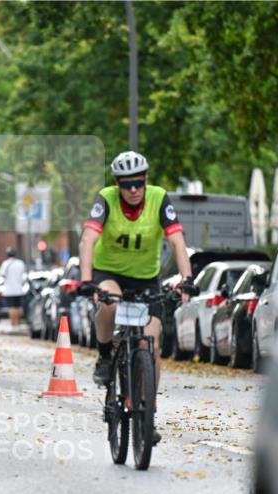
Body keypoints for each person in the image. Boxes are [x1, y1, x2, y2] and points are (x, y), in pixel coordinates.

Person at [77, 151, 195, 441]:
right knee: (109, 305)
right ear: (117, 184)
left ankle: (148, 412)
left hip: (146, 278)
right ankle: (105, 356)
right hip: (109, 273)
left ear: (145, 181)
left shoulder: (158, 198)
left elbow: (177, 241)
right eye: (126, 184)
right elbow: (88, 239)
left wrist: (187, 280)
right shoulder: (105, 199)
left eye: (138, 184)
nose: (133, 190)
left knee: (150, 344)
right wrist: (85, 280)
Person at [0, 246, 27, 328]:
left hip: (9, 290)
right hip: (19, 289)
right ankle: (17, 323)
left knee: (11, 308)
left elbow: (2, 275)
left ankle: (13, 324)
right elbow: (23, 276)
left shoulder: (5, 264)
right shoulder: (20, 263)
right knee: (17, 307)